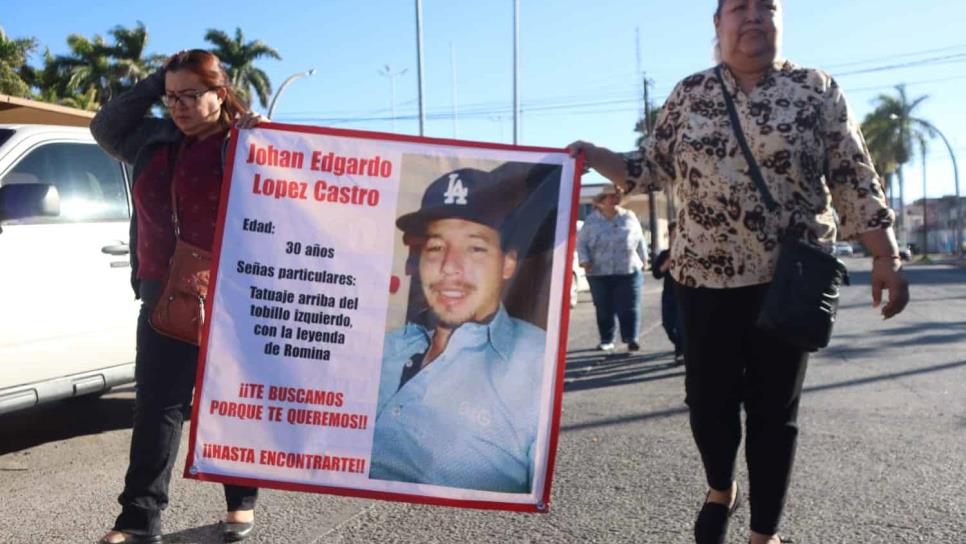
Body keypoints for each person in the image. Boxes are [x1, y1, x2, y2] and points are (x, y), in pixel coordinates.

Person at [568, 1, 910, 543]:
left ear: (780, 20)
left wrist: (885, 256)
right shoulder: (690, 94)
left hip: (789, 281)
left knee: (774, 411)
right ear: (719, 23)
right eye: (739, 7)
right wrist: (590, 154)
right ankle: (720, 487)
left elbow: (853, 174)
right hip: (703, 279)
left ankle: (763, 532)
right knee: (707, 401)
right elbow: (649, 167)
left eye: (766, 7)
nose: (753, 16)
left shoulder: (814, 88)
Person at [91, 50, 265, 544]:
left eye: (192, 95)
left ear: (221, 93)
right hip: (161, 295)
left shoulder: (244, 143)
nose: (179, 107)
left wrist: (266, 135)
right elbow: (105, 126)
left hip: (232, 296)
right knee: (156, 410)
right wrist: (157, 81)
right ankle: (137, 522)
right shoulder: (154, 140)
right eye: (172, 97)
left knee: (228, 404)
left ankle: (241, 502)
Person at [369, 168, 546, 494]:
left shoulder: (540, 364)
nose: (450, 266)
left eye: (475, 248)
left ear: (507, 263)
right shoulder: (377, 350)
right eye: (435, 248)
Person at [576, 184, 647, 352]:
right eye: (610, 197)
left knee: (629, 306)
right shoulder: (591, 221)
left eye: (616, 196)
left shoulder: (629, 217)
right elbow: (581, 243)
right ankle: (606, 339)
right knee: (604, 308)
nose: (614, 199)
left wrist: (644, 260)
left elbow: (640, 239)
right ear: (601, 201)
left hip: (628, 269)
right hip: (599, 272)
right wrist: (585, 261)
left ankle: (631, 338)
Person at [652, 222, 684, 364]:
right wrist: (667, 263)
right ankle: (681, 345)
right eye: (673, 235)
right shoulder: (665, 254)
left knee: (681, 325)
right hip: (670, 294)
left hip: (685, 294)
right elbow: (657, 274)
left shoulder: (691, 254)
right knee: (668, 324)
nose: (676, 238)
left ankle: (681, 352)